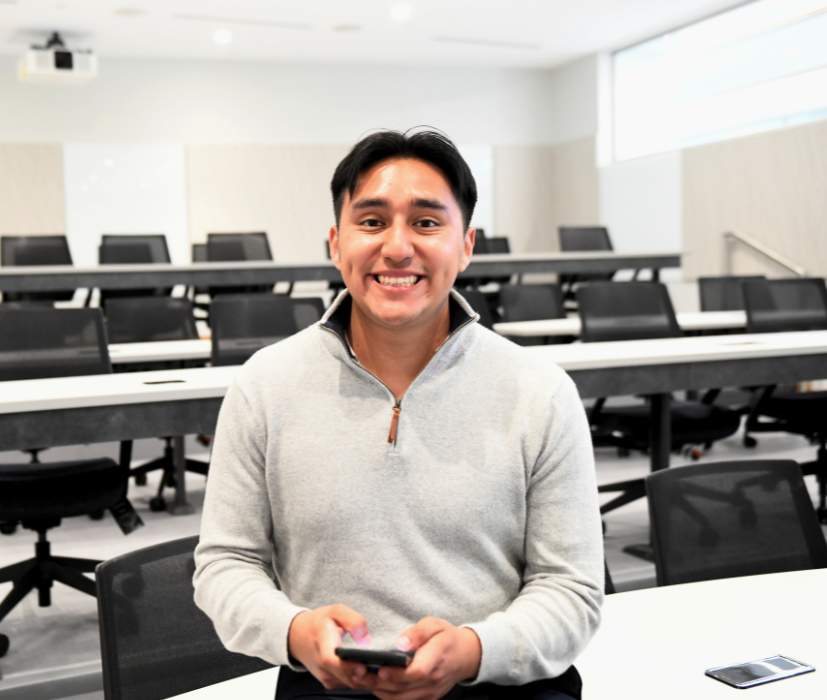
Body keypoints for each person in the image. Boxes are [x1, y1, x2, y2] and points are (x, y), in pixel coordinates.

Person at [193, 129, 603, 700]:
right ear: (336, 242)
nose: (397, 247)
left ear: (466, 246)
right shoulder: (265, 384)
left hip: (499, 683)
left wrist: (476, 651)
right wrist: (294, 632)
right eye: (372, 221)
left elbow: (571, 590)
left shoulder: (541, 392)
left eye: (427, 223)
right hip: (325, 685)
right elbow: (225, 564)